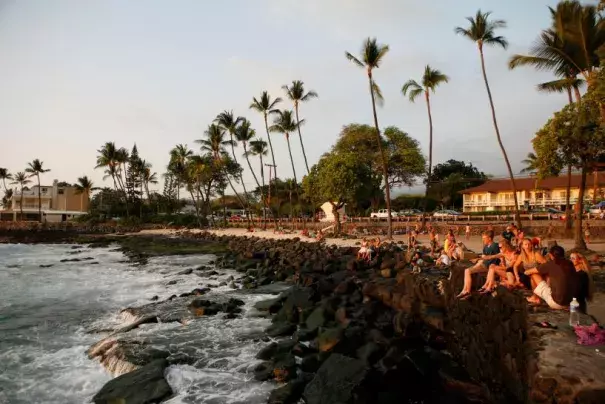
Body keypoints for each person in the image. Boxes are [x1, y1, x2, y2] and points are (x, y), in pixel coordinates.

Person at [524, 245, 578, 309]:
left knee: (534, 275)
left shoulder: (551, 264)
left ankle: (535, 298)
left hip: (557, 303)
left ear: (550, 255)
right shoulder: (570, 263)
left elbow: (528, 272)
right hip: (571, 302)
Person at [456, 230, 500, 298]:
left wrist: (478, 260)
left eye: (484, 238)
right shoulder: (485, 247)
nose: (483, 240)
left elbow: (496, 257)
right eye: (482, 238)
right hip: (484, 265)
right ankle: (465, 290)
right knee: (467, 270)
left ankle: (467, 291)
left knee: (467, 270)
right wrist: (476, 265)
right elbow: (482, 258)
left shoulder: (495, 246)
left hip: (489, 266)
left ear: (489, 238)